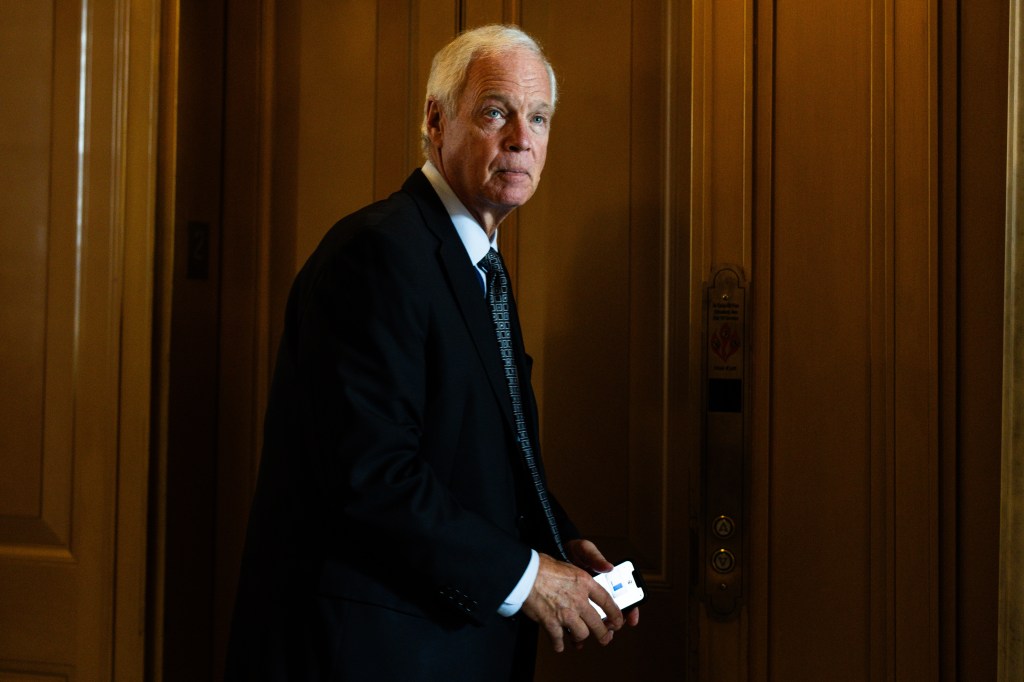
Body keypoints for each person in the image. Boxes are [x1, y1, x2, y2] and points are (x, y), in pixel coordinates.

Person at [225, 24, 639, 681]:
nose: (521, 139)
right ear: (435, 119)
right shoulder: (378, 253)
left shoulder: (476, 264)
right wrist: (531, 578)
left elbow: (474, 456)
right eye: (496, 112)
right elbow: (373, 475)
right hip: (369, 654)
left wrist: (558, 543)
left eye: (538, 118)